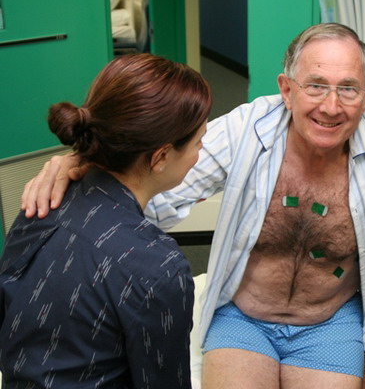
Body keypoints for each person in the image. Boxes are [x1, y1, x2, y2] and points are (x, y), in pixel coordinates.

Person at [19, 23, 365, 388]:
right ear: (286, 89)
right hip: (243, 317)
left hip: (331, 321)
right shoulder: (247, 127)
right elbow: (157, 177)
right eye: (315, 85)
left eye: (348, 88)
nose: (331, 106)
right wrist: (89, 161)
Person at [1, 53, 212, 388]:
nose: (202, 152)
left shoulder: (41, 203)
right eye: (200, 142)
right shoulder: (157, 265)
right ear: (160, 157)